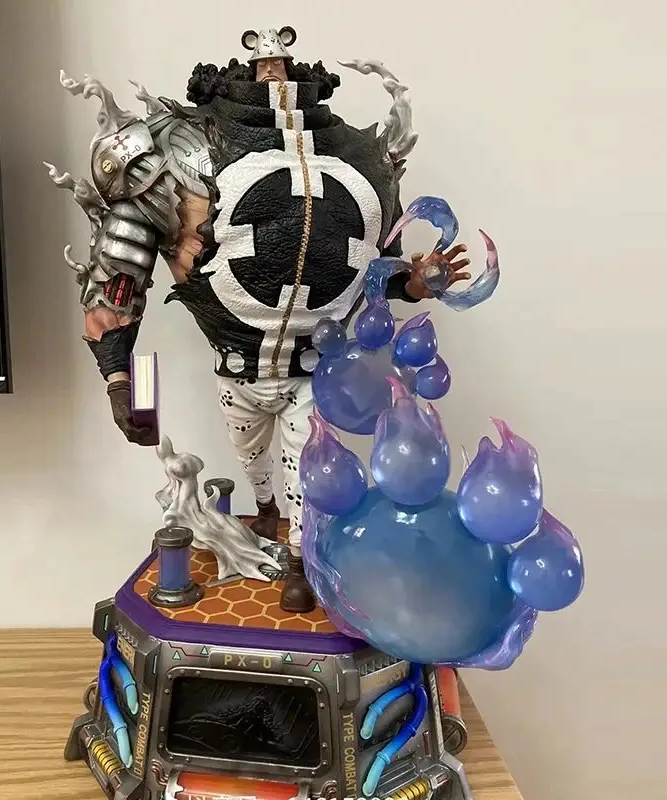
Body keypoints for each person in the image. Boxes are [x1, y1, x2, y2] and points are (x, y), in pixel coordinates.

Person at [48, 27, 471, 612]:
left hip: (314, 368)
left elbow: (377, 265)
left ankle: (299, 559)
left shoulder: (364, 159)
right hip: (236, 368)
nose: (272, 64)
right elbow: (120, 274)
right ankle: (264, 509)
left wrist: (417, 281)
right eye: (260, 55)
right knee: (251, 457)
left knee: (306, 465)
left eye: (282, 54)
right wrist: (122, 383)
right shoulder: (175, 153)